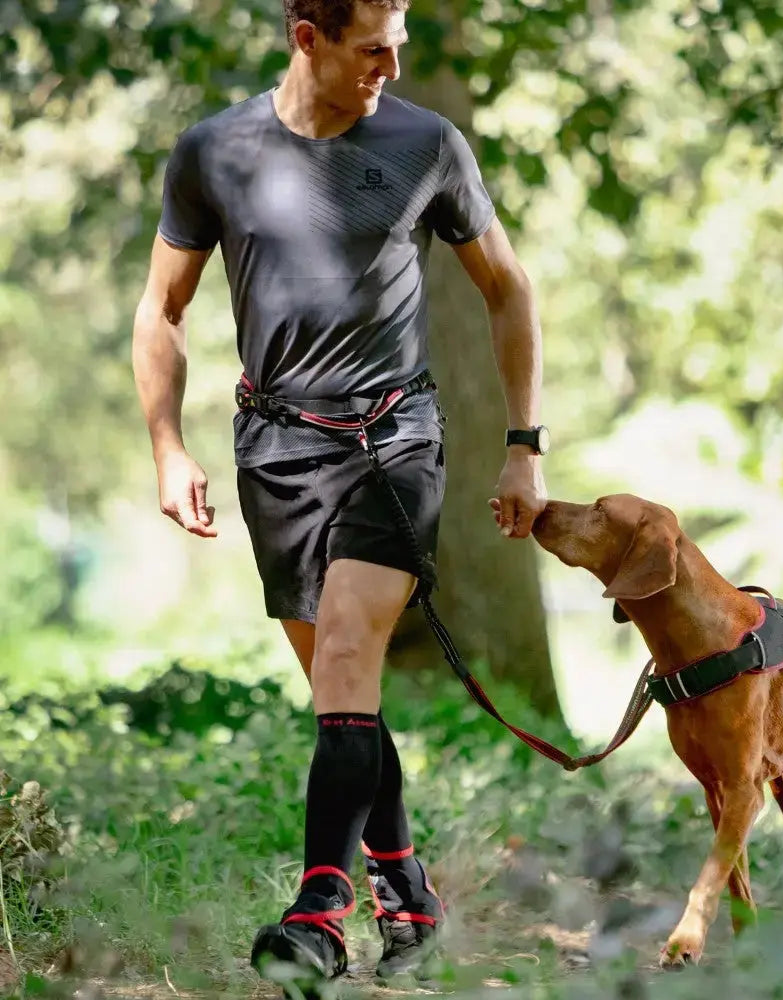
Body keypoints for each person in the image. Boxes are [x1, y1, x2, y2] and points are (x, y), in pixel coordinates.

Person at [131, 0, 549, 988]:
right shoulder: (212, 152)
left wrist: (523, 444)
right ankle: (406, 880)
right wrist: (166, 448)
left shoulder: (425, 144)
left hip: (392, 442)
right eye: (372, 48)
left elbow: (509, 287)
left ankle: (319, 910)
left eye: (399, 45)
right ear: (304, 36)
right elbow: (162, 308)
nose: (390, 68)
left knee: (353, 653)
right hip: (273, 448)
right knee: (340, 695)